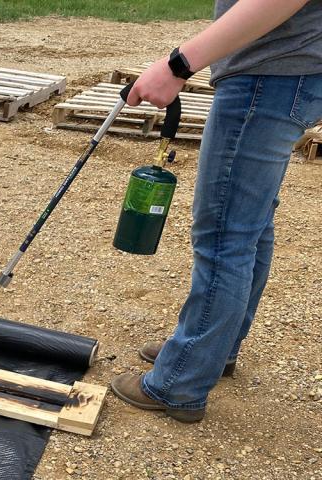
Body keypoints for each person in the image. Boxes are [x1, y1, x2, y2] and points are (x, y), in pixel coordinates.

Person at [110, 0, 322, 423]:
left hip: (269, 76)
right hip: (288, 73)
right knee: (249, 226)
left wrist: (178, 64)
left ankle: (179, 383)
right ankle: (212, 350)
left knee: (226, 235)